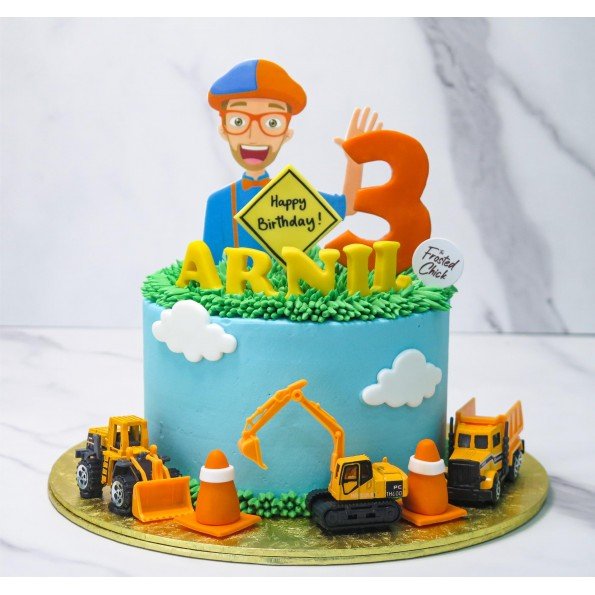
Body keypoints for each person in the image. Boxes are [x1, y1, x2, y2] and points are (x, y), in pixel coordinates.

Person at [204, 59, 382, 262]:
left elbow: (348, 205)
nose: (254, 135)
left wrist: (355, 159)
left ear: (286, 134)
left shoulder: (291, 195)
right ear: (224, 129)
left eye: (272, 122)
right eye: (239, 121)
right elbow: (209, 266)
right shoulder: (219, 202)